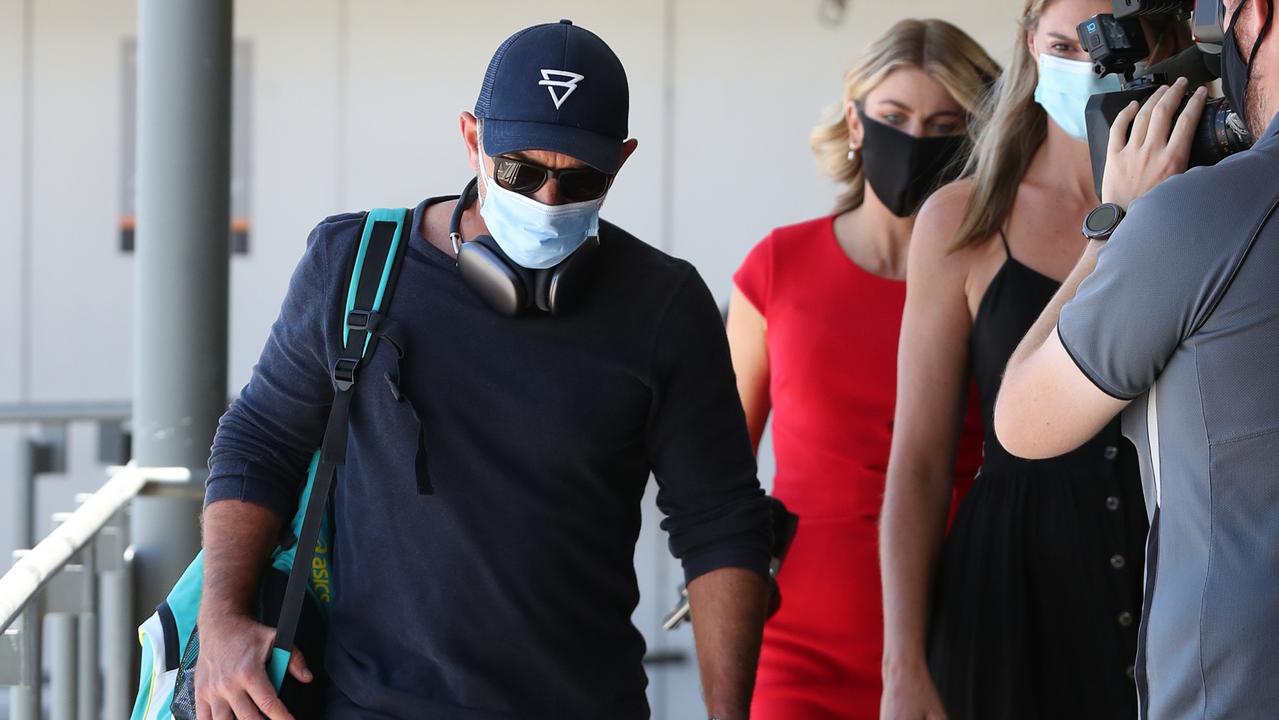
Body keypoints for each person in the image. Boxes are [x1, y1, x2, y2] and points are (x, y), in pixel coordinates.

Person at [193, 20, 774, 720]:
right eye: (520, 171)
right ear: (471, 138)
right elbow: (261, 440)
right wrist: (219, 621)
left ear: (621, 161)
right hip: (369, 704)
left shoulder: (663, 305)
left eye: (578, 178)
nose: (546, 201)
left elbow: (720, 522)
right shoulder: (353, 266)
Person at [877, 1, 1191, 718]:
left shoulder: (1204, 201)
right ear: (1027, 44)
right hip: (1010, 584)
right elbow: (919, 462)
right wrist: (901, 667)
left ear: (1164, 44)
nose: (1086, 66)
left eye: (1109, 43)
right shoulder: (962, 217)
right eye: (1061, 44)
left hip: (1168, 576)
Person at [996, 0, 1279, 716]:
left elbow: (1026, 420)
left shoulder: (1201, 215)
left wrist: (1114, 222)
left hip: (1231, 684)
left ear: (1255, 16)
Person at [725, 18, 997, 719]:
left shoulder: (997, 275)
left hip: (965, 633)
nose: (915, 139)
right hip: (796, 647)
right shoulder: (776, 268)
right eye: (894, 117)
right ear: (854, 123)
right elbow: (717, 477)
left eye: (944, 123)